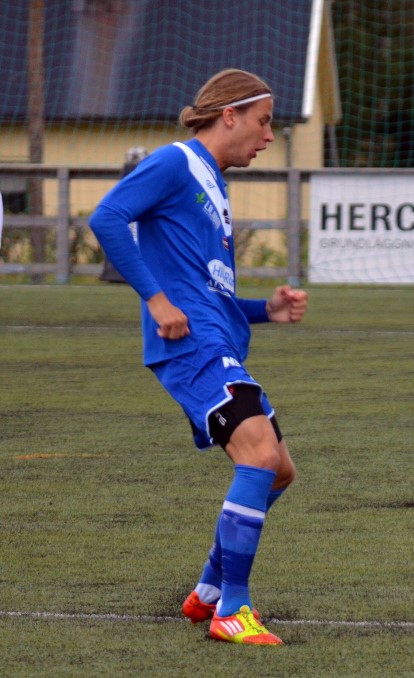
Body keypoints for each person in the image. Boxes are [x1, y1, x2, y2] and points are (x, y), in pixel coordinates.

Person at [89, 69, 307, 645]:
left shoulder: (212, 182)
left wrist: (266, 310)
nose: (269, 136)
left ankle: (209, 591)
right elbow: (106, 217)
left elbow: (210, 291)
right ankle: (233, 609)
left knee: (280, 469)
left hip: (217, 340)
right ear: (229, 115)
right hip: (191, 347)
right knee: (259, 455)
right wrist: (155, 299)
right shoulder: (176, 162)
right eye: (263, 122)